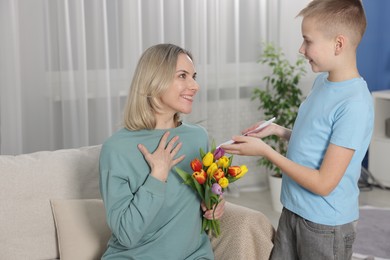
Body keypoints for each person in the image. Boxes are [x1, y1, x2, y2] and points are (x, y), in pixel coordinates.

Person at [221, 0, 374, 259]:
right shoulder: (322, 83)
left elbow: (324, 183)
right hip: (294, 210)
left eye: (308, 41)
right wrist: (277, 131)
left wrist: (267, 153)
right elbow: (317, 141)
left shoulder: (355, 104)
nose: (301, 49)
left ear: (339, 44)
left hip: (326, 225)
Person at [99, 43, 225, 259]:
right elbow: (127, 234)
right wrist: (157, 176)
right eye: (183, 76)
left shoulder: (198, 137)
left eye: (194, 76)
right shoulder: (117, 149)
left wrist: (215, 204)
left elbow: (199, 203)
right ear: (154, 80)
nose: (195, 86)